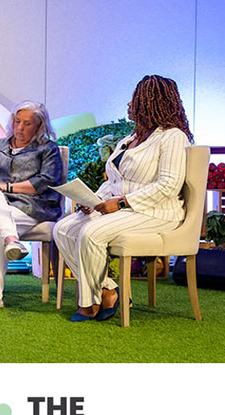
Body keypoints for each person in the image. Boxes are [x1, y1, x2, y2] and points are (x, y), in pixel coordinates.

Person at [52, 74, 193, 322]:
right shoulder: (130, 139)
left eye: (134, 99)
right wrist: (93, 200)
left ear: (152, 102)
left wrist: (119, 203)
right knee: (63, 229)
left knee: (91, 233)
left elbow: (168, 186)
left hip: (158, 212)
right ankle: (108, 289)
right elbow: (114, 182)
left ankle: (89, 303)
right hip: (127, 210)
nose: (129, 104)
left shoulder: (173, 137)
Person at [0, 100, 62, 314]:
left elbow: (46, 182)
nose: (20, 127)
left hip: (30, 208)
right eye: (17, 121)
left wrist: (6, 186)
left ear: (39, 126)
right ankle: (12, 239)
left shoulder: (48, 149)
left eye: (27, 123)